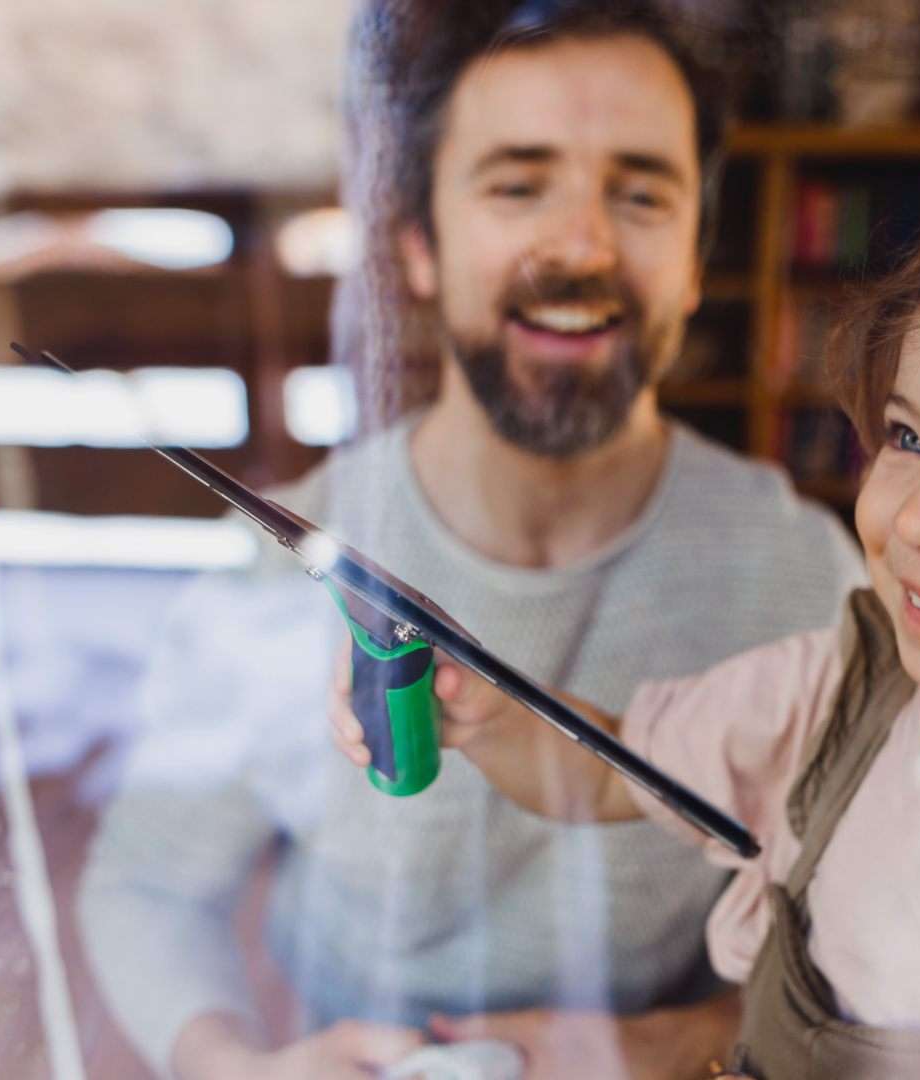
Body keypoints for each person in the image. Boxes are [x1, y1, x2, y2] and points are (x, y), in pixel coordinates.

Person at [334, 162, 920, 1078]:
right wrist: (489, 711)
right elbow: (613, 767)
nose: (916, 519)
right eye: (904, 436)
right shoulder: (839, 693)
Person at [77, 2, 866, 1077]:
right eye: (517, 184)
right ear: (418, 247)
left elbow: (873, 935)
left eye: (640, 193)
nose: (581, 245)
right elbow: (149, 884)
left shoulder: (810, 579)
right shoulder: (279, 561)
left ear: (693, 260)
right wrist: (236, 1065)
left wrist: (683, 1044)